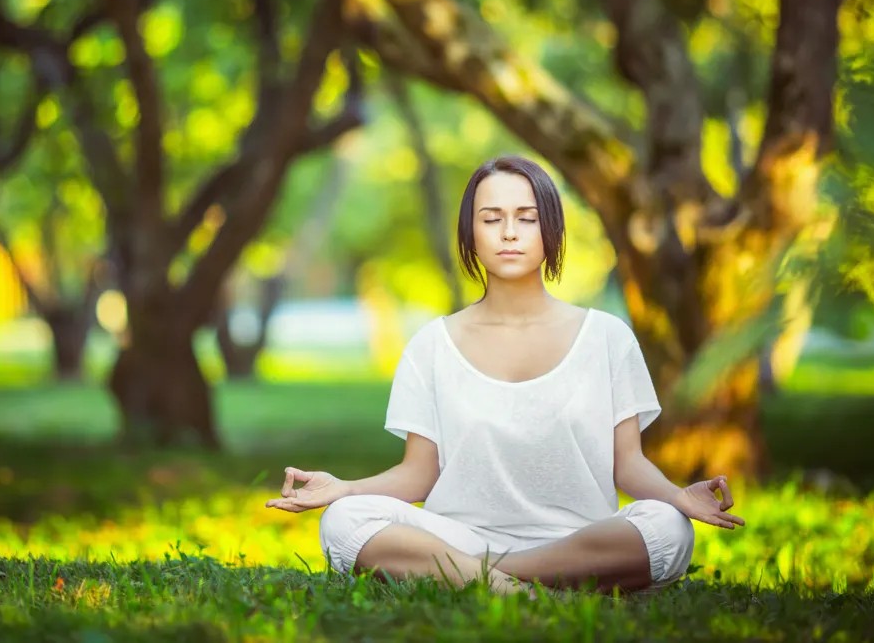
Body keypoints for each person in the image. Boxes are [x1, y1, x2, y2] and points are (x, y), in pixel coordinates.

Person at [264, 156, 745, 596]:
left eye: (527, 218)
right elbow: (418, 474)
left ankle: (484, 577)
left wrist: (679, 496)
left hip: (579, 538)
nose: (509, 233)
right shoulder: (432, 345)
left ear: (551, 230)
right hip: (458, 534)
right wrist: (344, 489)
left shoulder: (607, 337)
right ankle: (532, 587)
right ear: (470, 233)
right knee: (344, 521)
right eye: (491, 220)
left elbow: (628, 465)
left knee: (669, 528)